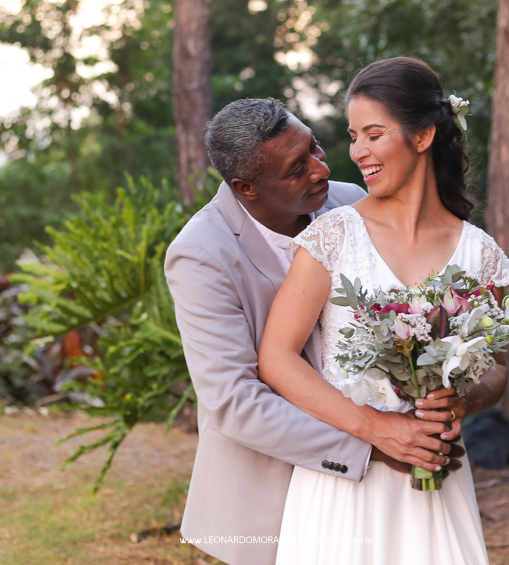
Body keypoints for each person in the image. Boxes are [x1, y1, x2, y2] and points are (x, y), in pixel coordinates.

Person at [165, 97, 465, 565]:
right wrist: (377, 441)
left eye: (317, 149)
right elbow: (233, 401)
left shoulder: (352, 204)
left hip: (395, 485)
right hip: (270, 490)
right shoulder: (201, 254)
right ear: (247, 187)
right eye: (296, 169)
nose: (321, 170)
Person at [258, 56, 509, 564]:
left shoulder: (479, 252)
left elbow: (499, 372)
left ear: (422, 137)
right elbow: (277, 358)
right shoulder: (333, 237)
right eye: (354, 136)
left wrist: (462, 401)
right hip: (345, 488)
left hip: (436, 483)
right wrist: (375, 429)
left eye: (374, 135)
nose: (358, 152)